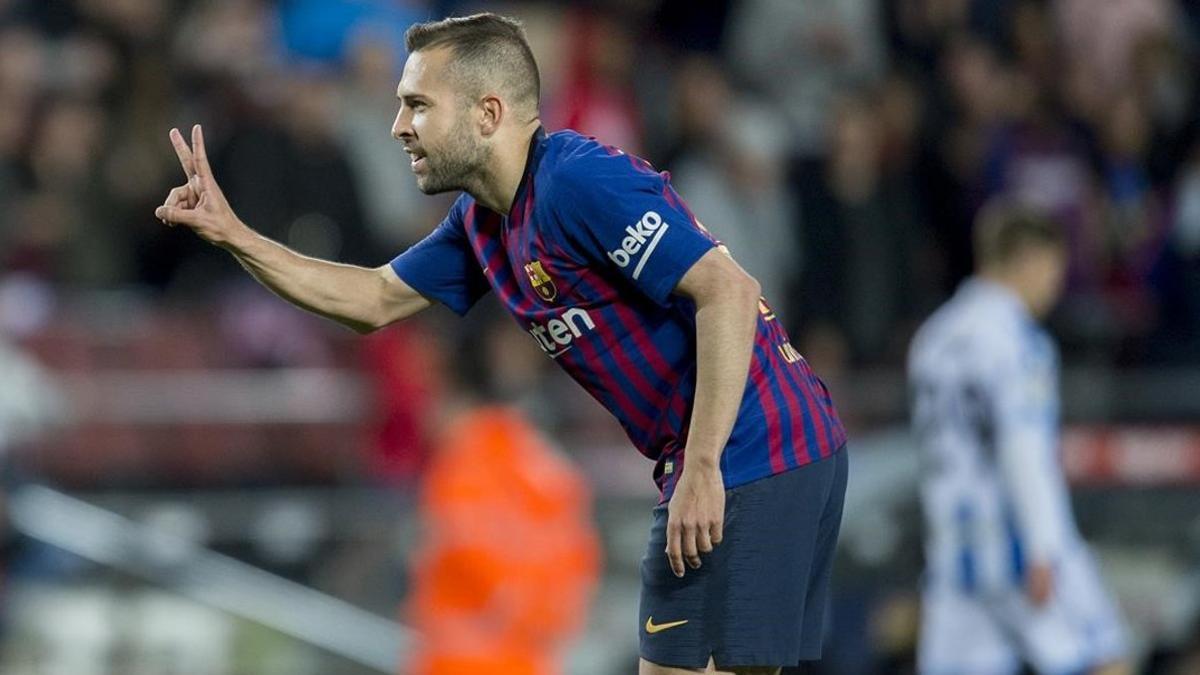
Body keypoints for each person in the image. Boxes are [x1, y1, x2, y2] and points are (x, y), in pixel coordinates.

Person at [154, 13, 847, 674]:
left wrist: (702, 467)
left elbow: (726, 288)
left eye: (418, 105)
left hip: (753, 449)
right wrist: (235, 235)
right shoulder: (483, 225)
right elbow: (371, 299)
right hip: (734, 457)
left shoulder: (578, 180)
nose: (399, 127)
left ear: (488, 114)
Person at [908, 203, 1130, 675]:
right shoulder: (1017, 339)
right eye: (1054, 268)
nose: (1055, 283)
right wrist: (1043, 545)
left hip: (954, 549)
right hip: (1014, 540)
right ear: (1029, 259)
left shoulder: (933, 336)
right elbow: (1022, 448)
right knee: (1105, 656)